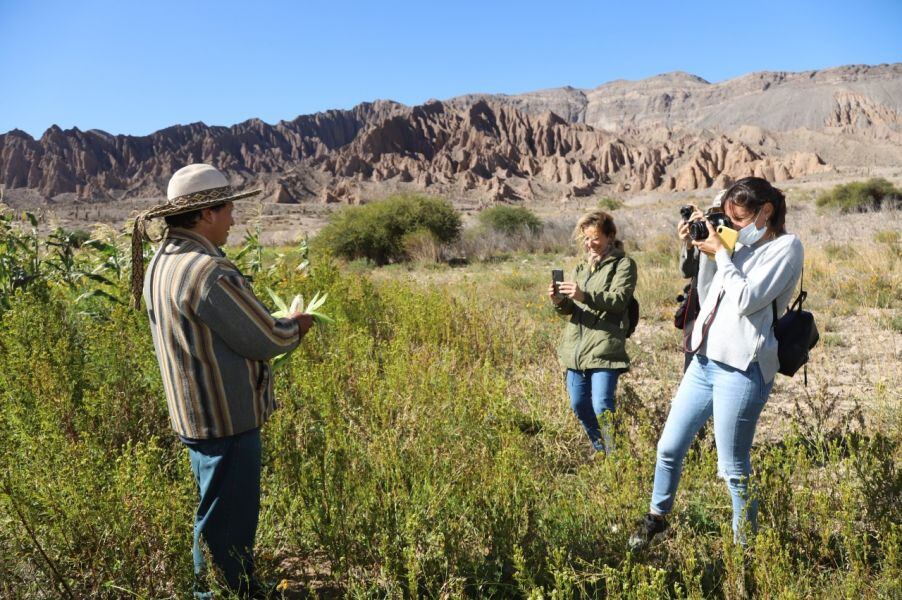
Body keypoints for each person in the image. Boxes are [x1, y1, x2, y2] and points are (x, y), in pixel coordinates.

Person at [130, 164, 314, 598]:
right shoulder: (206, 271)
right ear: (206, 214)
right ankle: (222, 592)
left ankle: (218, 587)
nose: (234, 217)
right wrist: (297, 325)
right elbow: (266, 338)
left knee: (212, 513)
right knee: (226, 528)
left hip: (194, 416)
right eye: (229, 208)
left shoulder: (162, 260)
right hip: (226, 421)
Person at [629, 177, 804, 550]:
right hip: (704, 361)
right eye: (728, 218)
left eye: (738, 218)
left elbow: (746, 298)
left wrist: (723, 253)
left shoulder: (786, 248)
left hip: (743, 370)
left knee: (733, 470)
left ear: (766, 212)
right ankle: (655, 519)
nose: (733, 226)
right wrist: (699, 243)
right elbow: (704, 283)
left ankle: (746, 551)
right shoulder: (734, 242)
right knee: (669, 447)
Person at [548, 211, 638, 454]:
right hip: (576, 348)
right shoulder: (580, 268)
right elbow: (571, 309)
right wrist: (559, 301)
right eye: (586, 239)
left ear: (610, 236)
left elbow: (619, 300)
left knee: (602, 406)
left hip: (605, 347)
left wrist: (584, 295)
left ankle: (616, 458)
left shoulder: (624, 265)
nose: (590, 244)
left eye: (595, 238)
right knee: (578, 404)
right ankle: (603, 450)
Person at [677, 191, 724, 371]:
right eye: (714, 213)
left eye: (723, 213)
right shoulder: (704, 236)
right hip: (699, 312)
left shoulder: (741, 243)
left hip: (723, 315)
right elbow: (686, 271)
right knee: (693, 367)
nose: (719, 219)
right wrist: (689, 243)